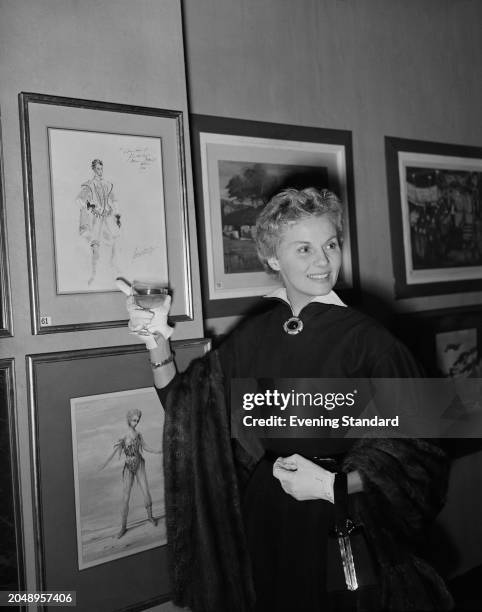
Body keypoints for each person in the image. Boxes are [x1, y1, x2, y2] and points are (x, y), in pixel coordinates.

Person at [124, 188, 453, 611]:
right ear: (274, 259)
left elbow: (422, 456)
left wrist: (333, 485)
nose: (323, 261)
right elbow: (191, 414)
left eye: (330, 245)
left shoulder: (368, 339)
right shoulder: (256, 333)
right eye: (304, 248)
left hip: (342, 520)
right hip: (267, 514)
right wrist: (156, 342)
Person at [100, 407, 161, 539]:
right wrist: (103, 464)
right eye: (134, 420)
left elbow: (145, 447)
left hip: (140, 464)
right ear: (129, 420)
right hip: (128, 467)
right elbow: (113, 452)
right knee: (125, 497)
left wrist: (157, 450)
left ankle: (150, 517)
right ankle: (123, 527)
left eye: (138, 420)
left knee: (146, 491)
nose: (136, 422)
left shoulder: (138, 435)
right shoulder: (123, 437)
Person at [76, 159, 121, 285]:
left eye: (101, 169)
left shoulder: (107, 184)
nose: (100, 171)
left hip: (107, 216)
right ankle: (93, 274)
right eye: (97, 169)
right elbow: (79, 199)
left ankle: (113, 267)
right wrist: (90, 206)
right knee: (95, 247)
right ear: (93, 169)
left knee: (113, 241)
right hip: (96, 218)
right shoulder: (89, 185)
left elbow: (114, 199)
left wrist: (117, 214)